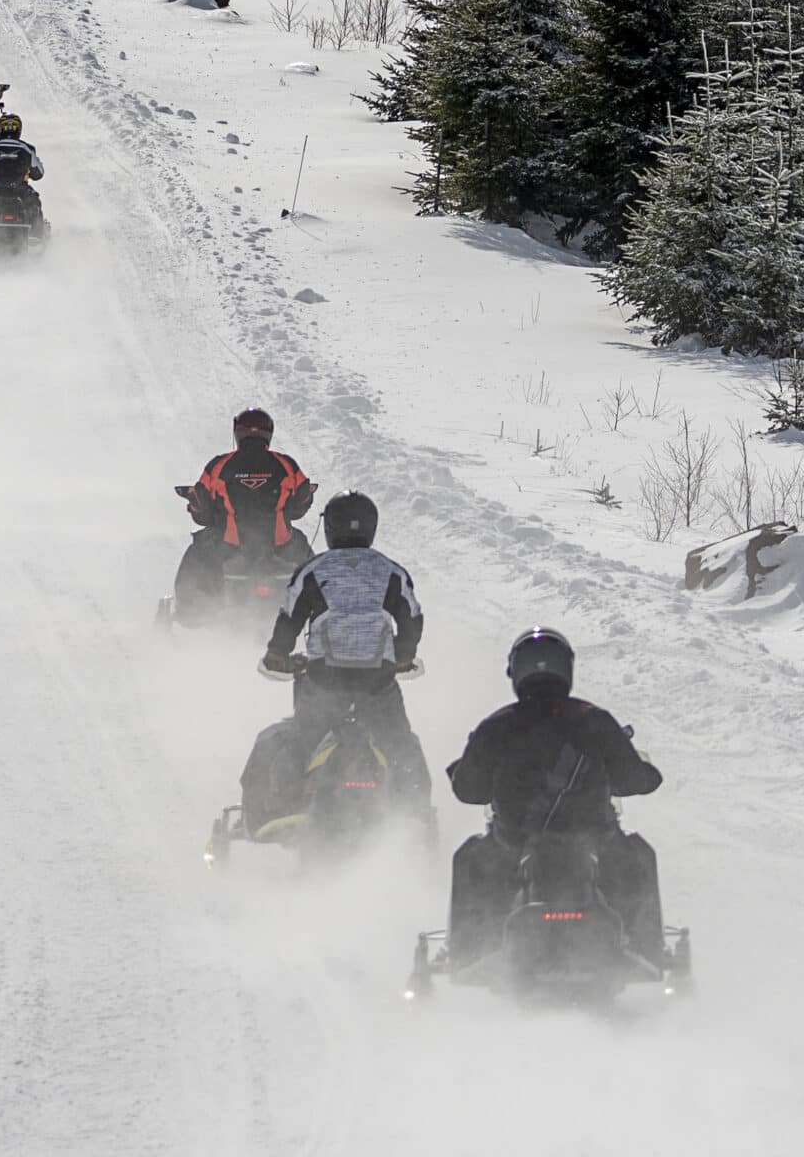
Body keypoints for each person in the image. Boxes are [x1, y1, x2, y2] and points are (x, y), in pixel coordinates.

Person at [445, 627, 664, 967]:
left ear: (516, 671)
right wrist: (646, 774)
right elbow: (633, 778)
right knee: (636, 855)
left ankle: (466, 953)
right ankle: (647, 950)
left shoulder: (497, 726)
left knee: (471, 858)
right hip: (594, 842)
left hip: (514, 844)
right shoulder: (594, 719)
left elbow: (467, 790)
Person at [239, 492, 430, 833]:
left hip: (323, 682)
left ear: (329, 528)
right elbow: (412, 618)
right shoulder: (391, 571)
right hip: (378, 684)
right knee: (401, 744)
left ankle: (281, 807)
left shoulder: (313, 570)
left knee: (299, 740)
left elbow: (289, 618)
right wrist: (403, 655)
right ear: (372, 527)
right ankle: (414, 813)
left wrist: (277, 655)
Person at [174, 407, 314, 608]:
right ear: (269, 433)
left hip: (228, 548)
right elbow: (303, 498)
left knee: (197, 550)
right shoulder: (286, 464)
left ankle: (188, 611)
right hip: (280, 547)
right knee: (307, 553)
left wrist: (198, 509)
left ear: (238, 432)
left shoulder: (219, 465)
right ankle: (321, 606)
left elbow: (200, 501)